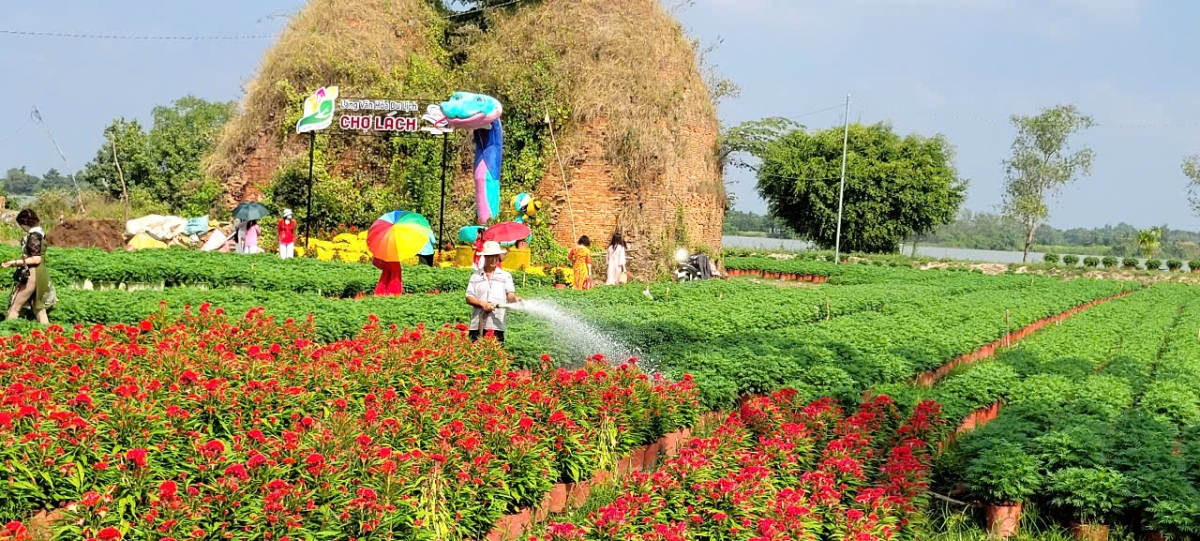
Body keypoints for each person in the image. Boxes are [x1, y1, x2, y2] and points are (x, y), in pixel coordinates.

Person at [3, 210, 55, 324]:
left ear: (24, 224)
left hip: (32, 273)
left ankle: (6, 337)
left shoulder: (33, 236)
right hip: (41, 273)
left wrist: (13, 262)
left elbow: (36, 259)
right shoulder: (40, 232)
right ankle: (48, 335)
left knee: (14, 307)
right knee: (39, 309)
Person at [465, 241, 521, 343]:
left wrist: (515, 299)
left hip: (496, 324)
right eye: (491, 256)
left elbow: (510, 295)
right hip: (477, 324)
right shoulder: (476, 276)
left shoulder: (505, 276)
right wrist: (482, 304)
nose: (494, 259)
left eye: (496, 256)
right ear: (485, 257)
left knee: (495, 356)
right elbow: (469, 297)